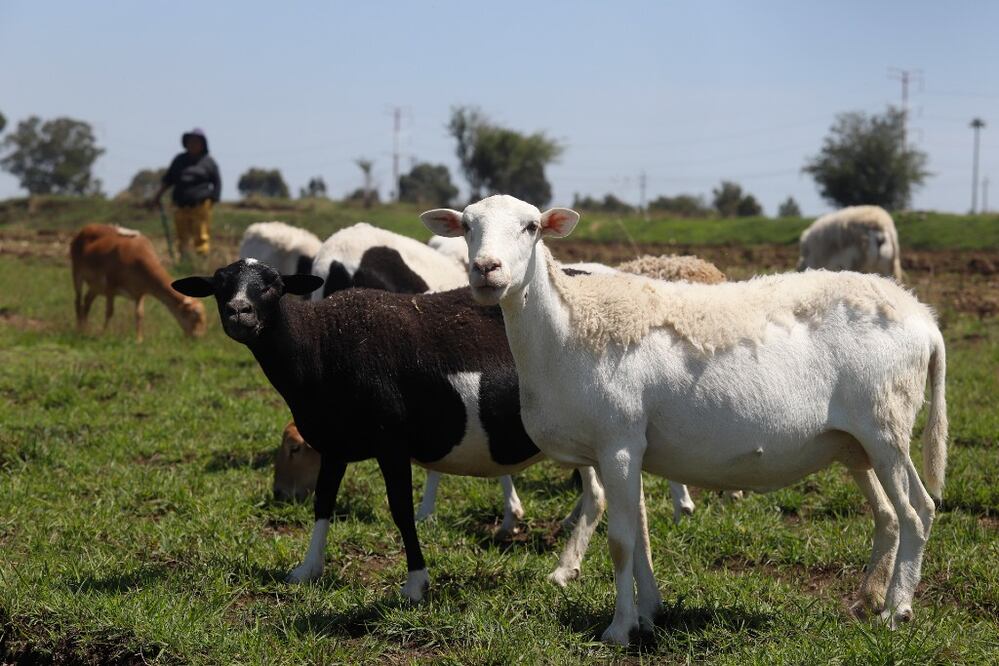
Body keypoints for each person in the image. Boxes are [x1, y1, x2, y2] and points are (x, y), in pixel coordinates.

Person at [149, 128, 221, 257]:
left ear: (203, 144)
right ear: (186, 143)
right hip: (180, 206)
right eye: (190, 141)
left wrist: (213, 200)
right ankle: (184, 261)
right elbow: (168, 180)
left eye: (196, 142)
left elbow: (217, 182)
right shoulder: (179, 160)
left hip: (201, 206)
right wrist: (157, 197)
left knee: (201, 236)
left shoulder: (208, 162)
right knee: (182, 237)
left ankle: (201, 261)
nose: (193, 144)